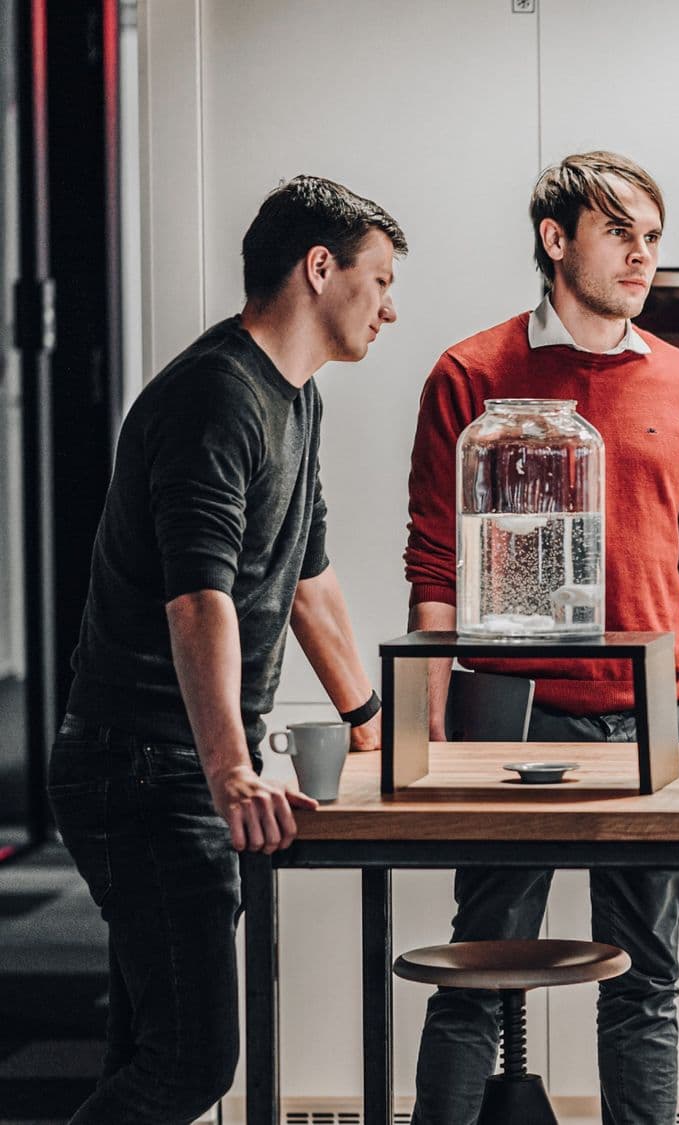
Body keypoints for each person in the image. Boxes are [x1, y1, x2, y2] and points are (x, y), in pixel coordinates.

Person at [403, 151, 679, 1124]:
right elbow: (434, 566)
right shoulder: (471, 375)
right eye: (619, 232)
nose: (642, 256)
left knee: (645, 984)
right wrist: (424, 744)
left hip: (655, 724)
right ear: (556, 240)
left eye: (652, 237)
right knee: (479, 976)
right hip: (511, 725)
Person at [48, 176, 401, 1124]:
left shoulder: (294, 398)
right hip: (143, 768)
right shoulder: (216, 397)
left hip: (170, 766)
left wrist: (367, 721)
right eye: (379, 281)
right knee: (192, 1061)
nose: (390, 307)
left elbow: (307, 576)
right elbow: (198, 600)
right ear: (318, 269)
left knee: (148, 1050)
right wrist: (232, 774)